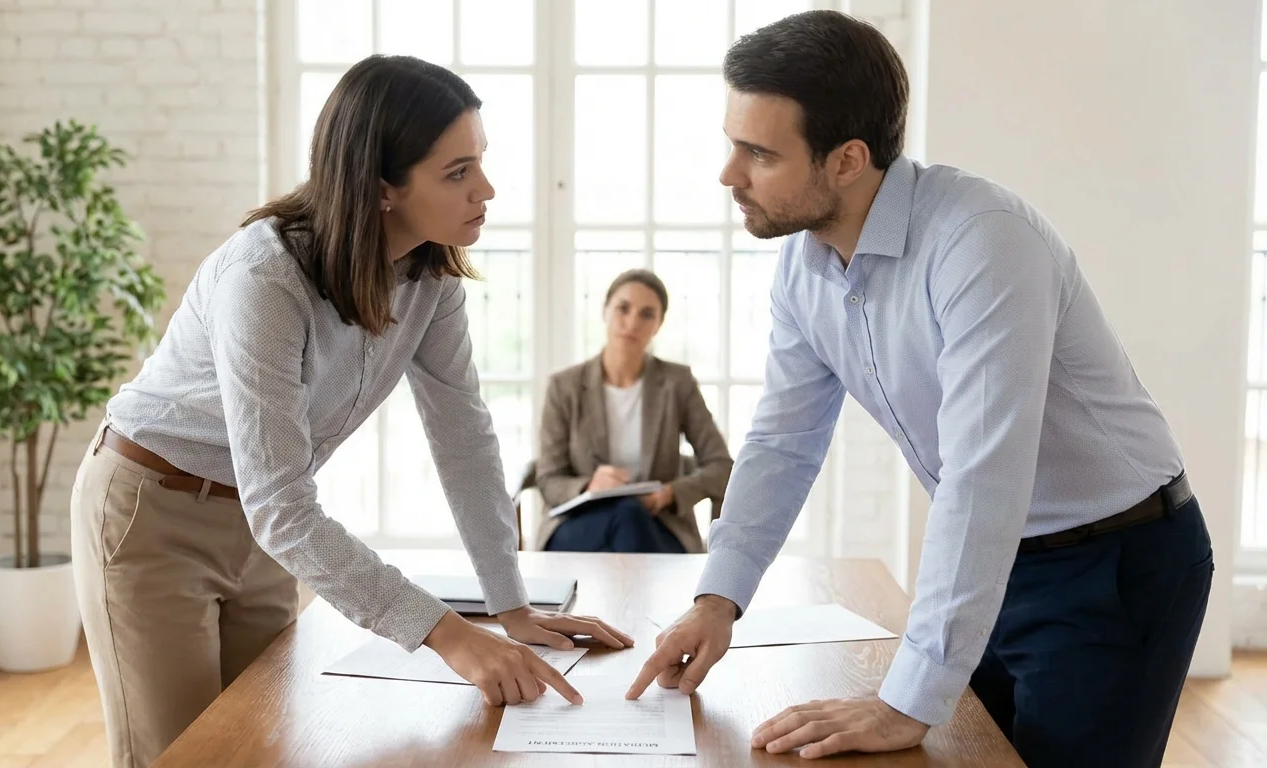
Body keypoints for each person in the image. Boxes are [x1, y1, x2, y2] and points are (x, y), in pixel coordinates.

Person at [626, 11, 1212, 768]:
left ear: (847, 160)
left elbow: (982, 475)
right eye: (732, 144)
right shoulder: (804, 266)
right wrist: (718, 600)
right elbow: (782, 442)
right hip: (995, 559)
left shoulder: (983, 240)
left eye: (758, 153)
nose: (728, 174)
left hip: (1114, 563)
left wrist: (904, 703)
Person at [70, 54, 632, 768]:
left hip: (259, 526)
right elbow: (285, 503)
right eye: (456, 172)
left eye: (480, 162)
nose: (486, 189)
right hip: (151, 516)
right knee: (181, 756)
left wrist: (511, 606)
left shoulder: (430, 277)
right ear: (380, 188)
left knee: (259, 745)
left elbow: (464, 437)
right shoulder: (264, 277)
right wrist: (451, 634)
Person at [533, 269, 732, 554]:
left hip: (658, 524)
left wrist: (671, 493)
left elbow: (721, 466)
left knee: (630, 517)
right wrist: (589, 485)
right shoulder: (564, 386)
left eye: (647, 314)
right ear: (605, 311)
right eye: (623, 308)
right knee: (625, 515)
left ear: (659, 324)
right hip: (580, 525)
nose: (632, 323)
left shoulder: (677, 382)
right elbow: (548, 479)